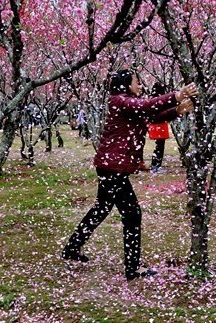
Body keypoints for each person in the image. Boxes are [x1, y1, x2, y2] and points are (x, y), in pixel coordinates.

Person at [62, 69, 197, 281]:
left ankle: (72, 247)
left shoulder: (127, 104)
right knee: (132, 215)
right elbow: (144, 106)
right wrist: (175, 96)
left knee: (102, 208)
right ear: (125, 84)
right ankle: (132, 268)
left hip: (110, 166)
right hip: (113, 167)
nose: (140, 86)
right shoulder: (119, 101)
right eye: (137, 82)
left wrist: (176, 111)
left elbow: (152, 115)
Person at [148, 83, 170, 174]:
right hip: (160, 125)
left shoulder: (152, 100)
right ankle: (156, 165)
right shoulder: (161, 100)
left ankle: (155, 165)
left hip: (155, 125)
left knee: (158, 146)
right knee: (160, 146)